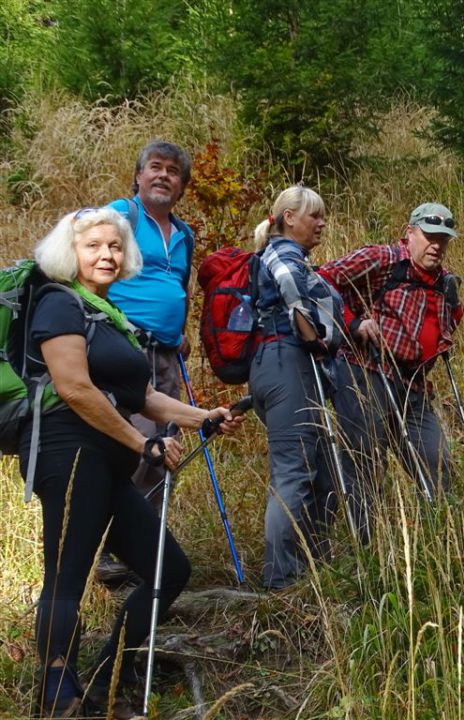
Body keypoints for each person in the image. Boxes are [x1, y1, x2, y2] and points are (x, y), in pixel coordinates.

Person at [22, 207, 241, 718]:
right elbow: (74, 387)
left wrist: (200, 415)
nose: (107, 254)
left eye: (115, 247)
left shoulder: (109, 315)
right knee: (67, 577)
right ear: (70, 253)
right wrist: (143, 445)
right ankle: (57, 699)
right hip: (69, 454)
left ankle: (102, 681)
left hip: (107, 463)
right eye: (94, 245)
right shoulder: (58, 303)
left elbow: (141, 396)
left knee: (169, 569)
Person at [319, 202, 464, 542]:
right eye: (429, 237)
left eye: (443, 239)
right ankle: (368, 552)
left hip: (413, 385)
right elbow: (321, 280)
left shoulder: (444, 281)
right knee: (366, 465)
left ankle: (444, 543)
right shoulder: (381, 259)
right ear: (410, 233)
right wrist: (352, 323)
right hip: (366, 373)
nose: (437, 245)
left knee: (437, 459)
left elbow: (450, 319)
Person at [250, 186, 346, 590]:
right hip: (288, 360)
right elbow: (291, 289)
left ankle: (312, 567)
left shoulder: (292, 255)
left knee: (320, 473)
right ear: (289, 217)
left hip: (283, 364)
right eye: (314, 216)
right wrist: (314, 337)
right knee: (293, 474)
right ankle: (281, 580)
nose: (321, 223)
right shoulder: (284, 253)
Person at [107, 140, 195, 509]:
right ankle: (115, 544)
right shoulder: (120, 214)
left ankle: (147, 545)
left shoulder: (184, 234)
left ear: (182, 186)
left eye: (173, 172)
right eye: (155, 167)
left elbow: (179, 287)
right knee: (137, 441)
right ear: (138, 176)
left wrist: (180, 331)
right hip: (125, 346)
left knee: (165, 442)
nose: (163, 176)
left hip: (166, 354)